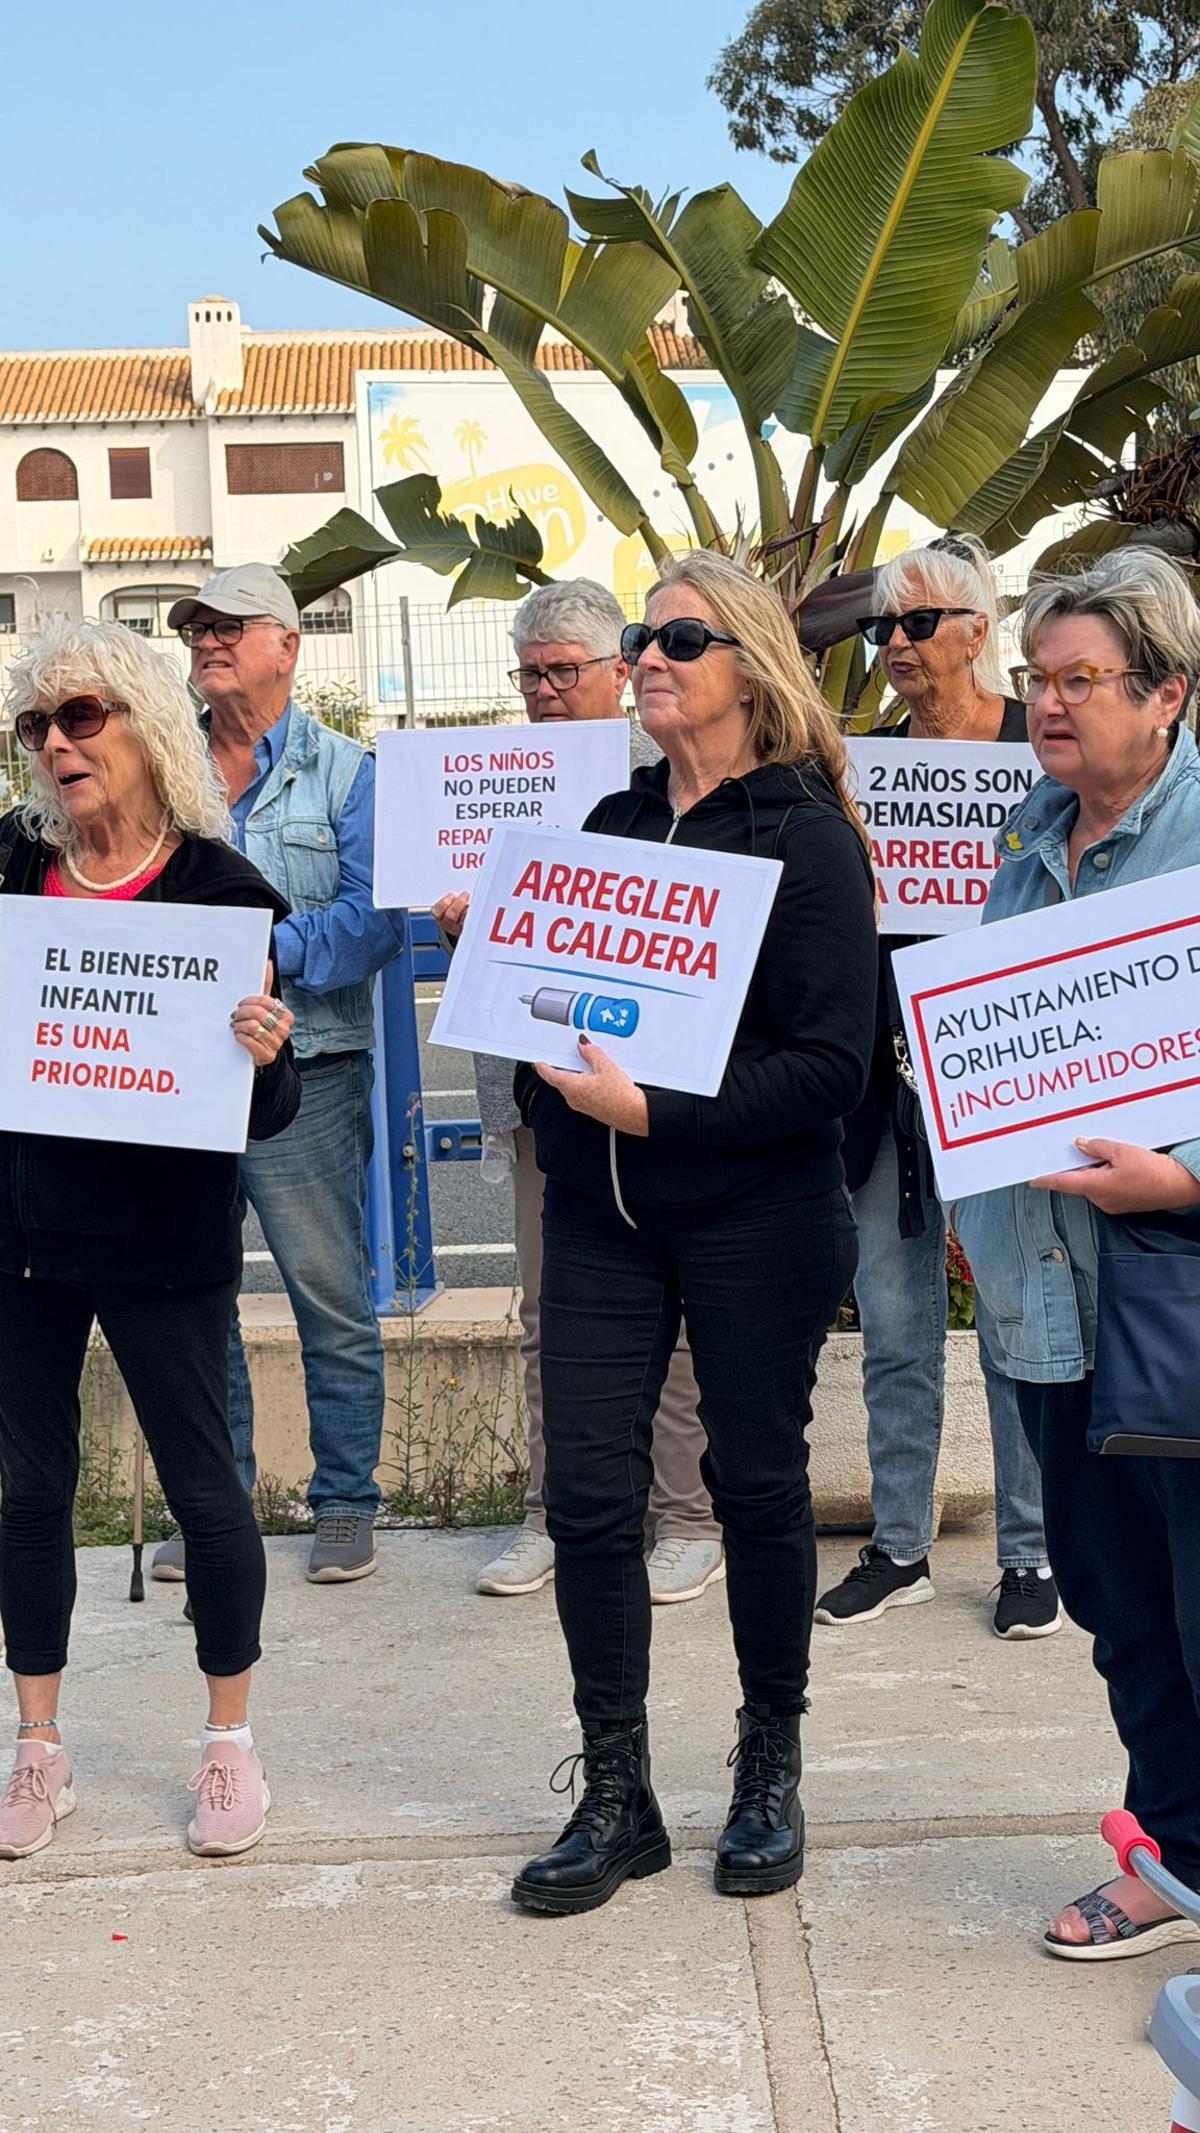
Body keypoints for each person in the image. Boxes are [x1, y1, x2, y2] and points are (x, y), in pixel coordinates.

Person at [507, 551, 878, 1914]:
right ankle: (617, 1793)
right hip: (601, 1217)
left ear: (751, 668)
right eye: (642, 639)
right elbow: (542, 1011)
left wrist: (657, 1110)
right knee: (595, 1498)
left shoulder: (806, 836)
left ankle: (767, 1764)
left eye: (682, 637)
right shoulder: (601, 827)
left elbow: (833, 1067)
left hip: (753, 1219)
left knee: (757, 1484)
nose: (650, 657)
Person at [0, 618, 299, 1861]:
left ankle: (230, 1747)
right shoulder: (11, 874)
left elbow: (266, 1110)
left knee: (204, 1487)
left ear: (142, 729)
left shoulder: (217, 892)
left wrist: (264, 1052)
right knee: (30, 1490)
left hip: (167, 1239)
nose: (59, 743)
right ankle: (37, 1749)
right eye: (37, 724)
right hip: (23, 1234)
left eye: (83, 716)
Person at [956, 548, 1200, 1960]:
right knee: (1119, 1609)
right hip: (1054, 1303)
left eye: (1081, 680)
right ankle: (1176, 1853)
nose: (1048, 704)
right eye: (1037, 678)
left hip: (1174, 1291)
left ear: (1166, 694)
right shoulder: (1026, 841)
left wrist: (1182, 1178)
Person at [434, 580, 723, 1608]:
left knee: (679, 1318)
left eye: (568, 671)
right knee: (544, 1310)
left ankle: (687, 1518)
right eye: (532, 674)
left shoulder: (670, 789)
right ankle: (550, 1513)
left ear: (620, 671)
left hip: (653, 1094)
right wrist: (468, 935)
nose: (547, 691)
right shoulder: (487, 790)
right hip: (534, 1098)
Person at [816, 536, 1060, 1642]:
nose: (898, 647)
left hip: (1010, 1076)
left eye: (917, 624)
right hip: (886, 1086)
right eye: (882, 629)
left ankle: (1031, 1553)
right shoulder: (863, 767)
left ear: (978, 627)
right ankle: (900, 1546)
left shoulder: (1041, 752)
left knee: (1017, 1320)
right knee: (897, 1320)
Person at [154, 565, 406, 1588]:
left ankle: (345, 1503)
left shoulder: (354, 774)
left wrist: (264, 957)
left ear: (288, 645)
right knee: (193, 1301)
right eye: (197, 629)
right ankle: (219, 1511)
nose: (208, 641)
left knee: (330, 1298)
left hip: (311, 1070)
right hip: (182, 1080)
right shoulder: (161, 769)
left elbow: (376, 920)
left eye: (229, 626)